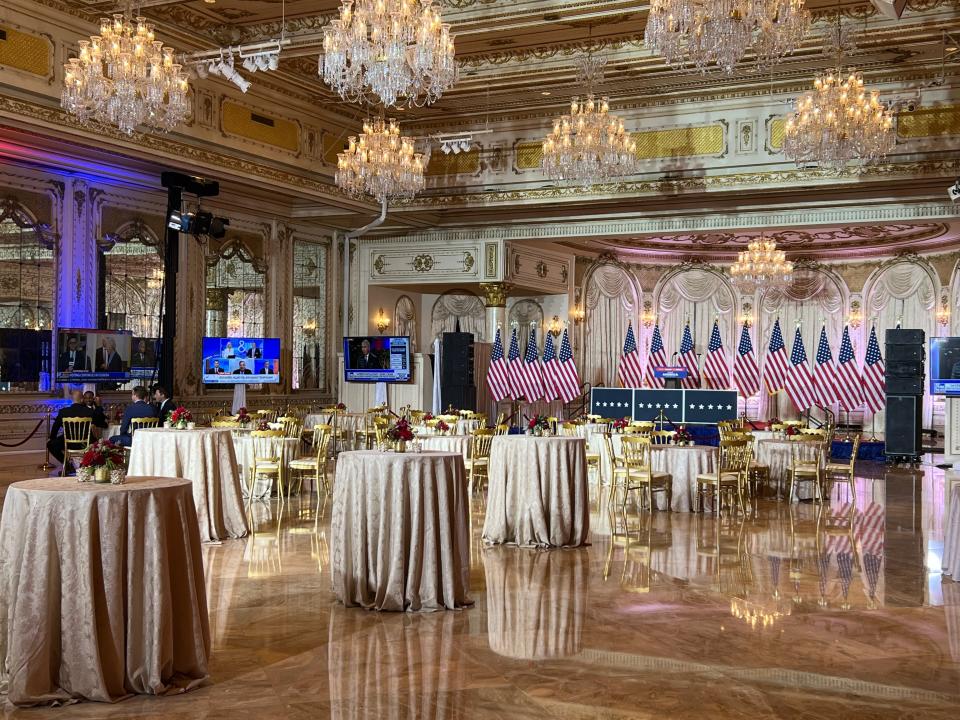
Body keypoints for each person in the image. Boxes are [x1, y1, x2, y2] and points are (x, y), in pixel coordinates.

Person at [47, 390, 107, 473]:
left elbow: (55, 428)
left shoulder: (63, 412)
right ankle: (89, 466)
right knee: (99, 444)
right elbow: (103, 424)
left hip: (68, 443)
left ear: (72, 399)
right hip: (86, 443)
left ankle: (68, 466)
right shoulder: (89, 412)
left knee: (50, 444)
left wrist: (52, 438)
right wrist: (98, 406)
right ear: (82, 399)